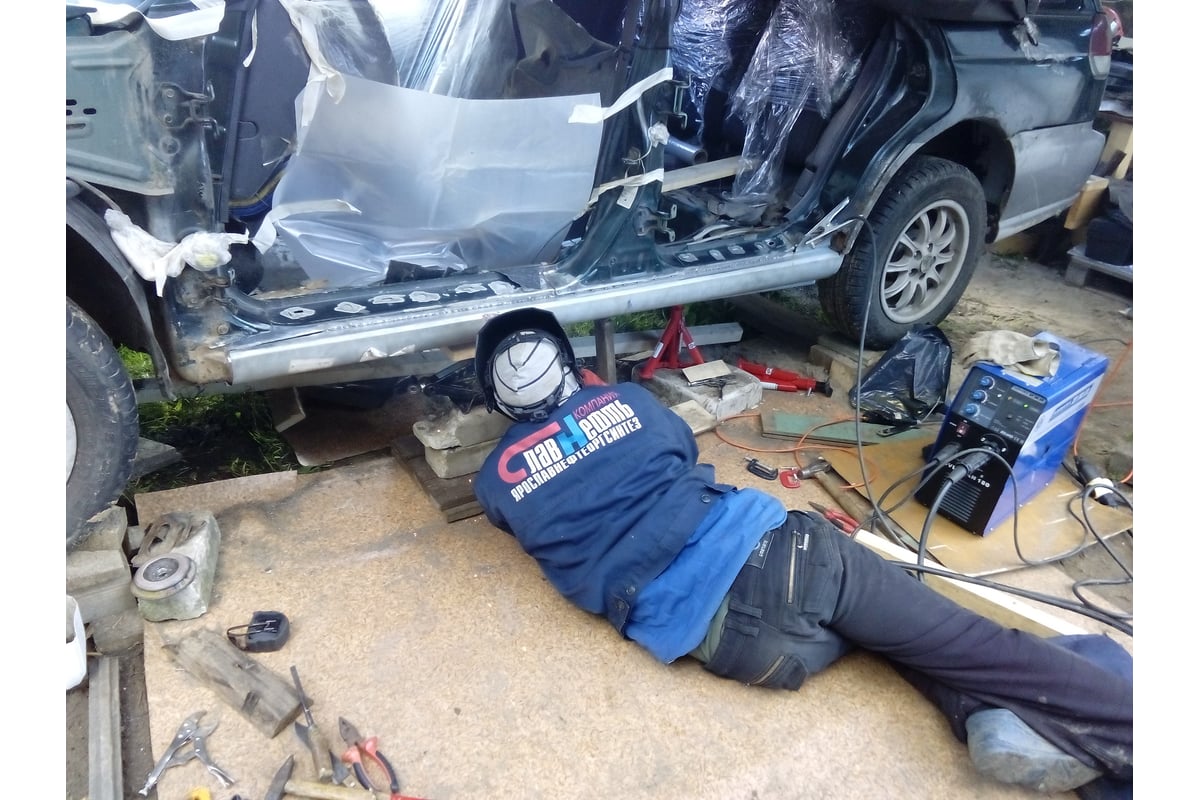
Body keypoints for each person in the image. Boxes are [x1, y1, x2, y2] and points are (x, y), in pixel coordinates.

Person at [471, 308, 1133, 797]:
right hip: (786, 564)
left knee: (891, 636)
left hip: (743, 654)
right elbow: (683, 452)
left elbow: (536, 524)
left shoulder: (494, 481)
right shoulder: (628, 401)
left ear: (499, 401)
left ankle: (987, 716)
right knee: (964, 638)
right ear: (568, 364)